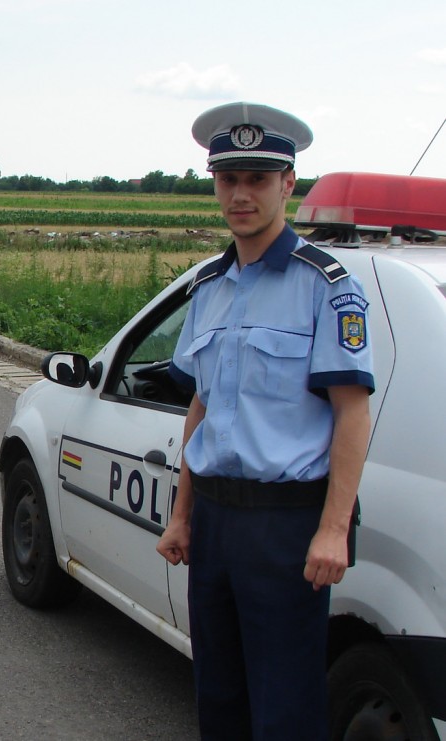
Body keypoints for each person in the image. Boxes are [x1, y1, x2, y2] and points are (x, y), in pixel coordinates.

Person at [156, 103, 375, 740]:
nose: (241, 194)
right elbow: (202, 405)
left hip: (286, 527)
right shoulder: (210, 287)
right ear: (215, 185)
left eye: (258, 178)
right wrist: (182, 513)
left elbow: (351, 414)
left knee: (284, 707)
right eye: (229, 180)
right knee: (218, 696)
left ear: (289, 186)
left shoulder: (327, 287)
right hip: (217, 522)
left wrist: (333, 529)